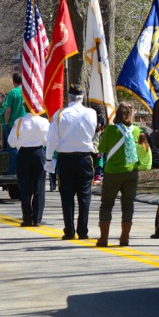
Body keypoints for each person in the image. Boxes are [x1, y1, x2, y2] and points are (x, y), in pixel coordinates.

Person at [45, 84, 97, 240]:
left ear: (69, 98)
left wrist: (48, 157)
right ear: (82, 97)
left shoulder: (60, 114)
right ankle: (83, 231)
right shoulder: (91, 113)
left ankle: (69, 230)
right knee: (84, 195)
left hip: (66, 158)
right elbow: (93, 132)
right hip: (85, 157)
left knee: (66, 195)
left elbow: (52, 138)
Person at [95, 102, 147, 247]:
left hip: (113, 172)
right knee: (128, 205)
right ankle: (124, 238)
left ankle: (104, 238)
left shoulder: (111, 130)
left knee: (106, 204)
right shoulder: (137, 130)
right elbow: (143, 148)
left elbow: (101, 148)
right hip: (131, 172)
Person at [7, 105, 49, 226]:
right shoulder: (43, 121)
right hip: (39, 153)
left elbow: (11, 142)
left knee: (25, 188)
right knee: (39, 187)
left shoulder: (19, 121)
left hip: (24, 154)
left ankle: (27, 218)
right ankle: (37, 218)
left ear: (24, 108)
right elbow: (48, 140)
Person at [0, 72, 25, 173]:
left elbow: (8, 110)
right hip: (25, 124)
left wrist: (6, 122)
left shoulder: (13, 93)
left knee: (12, 148)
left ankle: (13, 169)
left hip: (13, 124)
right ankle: (23, 169)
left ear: (13, 81)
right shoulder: (27, 92)